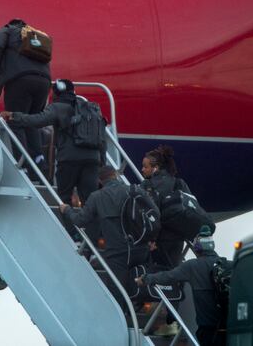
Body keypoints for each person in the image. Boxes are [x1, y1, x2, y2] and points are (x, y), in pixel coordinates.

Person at [59, 166, 150, 304]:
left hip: (116, 252)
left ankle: (123, 319)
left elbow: (80, 220)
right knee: (138, 283)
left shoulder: (97, 196)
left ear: (100, 181)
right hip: (140, 248)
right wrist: (151, 238)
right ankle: (138, 307)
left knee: (116, 291)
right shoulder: (134, 190)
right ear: (115, 175)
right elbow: (154, 213)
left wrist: (67, 210)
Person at [2, 79, 100, 203]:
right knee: (90, 201)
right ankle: (87, 223)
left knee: (64, 199)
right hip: (92, 160)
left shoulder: (58, 107)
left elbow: (37, 121)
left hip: (69, 160)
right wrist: (99, 162)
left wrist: (14, 116)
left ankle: (67, 223)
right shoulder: (91, 108)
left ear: (56, 93)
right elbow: (100, 136)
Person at [136, 228, 223, 345]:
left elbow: (168, 276)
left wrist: (146, 278)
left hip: (208, 327)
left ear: (197, 248)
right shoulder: (225, 264)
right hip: (227, 324)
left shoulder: (193, 266)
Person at [0, 19, 51, 167]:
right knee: (32, 123)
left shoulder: (8, 30)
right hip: (44, 81)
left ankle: (21, 165)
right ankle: (39, 165)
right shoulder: (35, 35)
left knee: (15, 121)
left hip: (20, 80)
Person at [141, 145, 191, 268]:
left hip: (159, 239)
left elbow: (150, 213)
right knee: (173, 272)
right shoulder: (179, 182)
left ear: (155, 168)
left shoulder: (148, 185)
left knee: (156, 273)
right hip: (178, 237)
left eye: (145, 166)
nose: (142, 169)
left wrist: (152, 239)